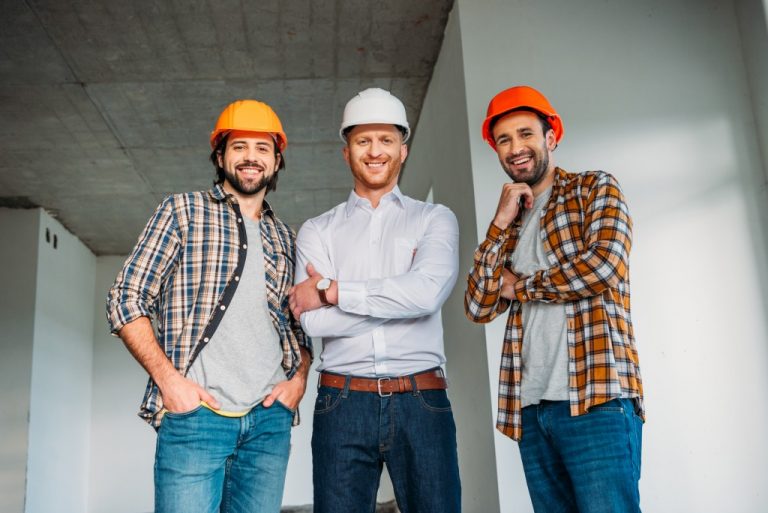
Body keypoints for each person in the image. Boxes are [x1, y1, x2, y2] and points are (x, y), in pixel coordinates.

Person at [106, 99, 312, 513]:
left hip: (268, 423)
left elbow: (298, 326)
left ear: (276, 161)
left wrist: (300, 379)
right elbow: (125, 298)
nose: (251, 157)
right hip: (197, 418)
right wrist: (170, 382)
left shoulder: (286, 238)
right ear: (220, 155)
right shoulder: (181, 211)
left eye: (262, 148)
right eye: (239, 146)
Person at [464, 85, 645, 512]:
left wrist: (519, 286)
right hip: (532, 409)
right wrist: (498, 224)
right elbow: (477, 306)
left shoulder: (593, 189)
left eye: (525, 134)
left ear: (551, 137)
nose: (515, 148)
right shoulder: (511, 222)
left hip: (596, 398)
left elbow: (602, 267)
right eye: (504, 140)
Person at [288, 87, 461, 513]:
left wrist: (333, 291)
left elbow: (427, 293)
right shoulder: (317, 231)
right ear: (346, 152)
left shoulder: (434, 218)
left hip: (422, 399)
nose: (375, 151)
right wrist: (402, 300)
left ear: (403, 150)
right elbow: (311, 323)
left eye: (386, 140)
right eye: (363, 141)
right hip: (342, 402)